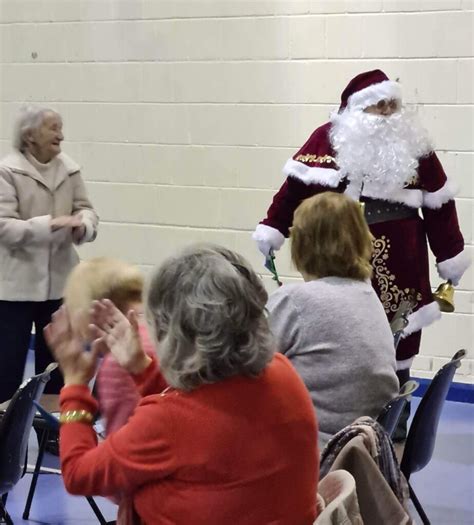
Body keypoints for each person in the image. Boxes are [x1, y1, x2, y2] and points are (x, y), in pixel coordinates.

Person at [45, 244, 319, 525]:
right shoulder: (282, 372)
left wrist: (75, 386)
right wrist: (142, 369)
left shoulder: (168, 421)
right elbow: (202, 418)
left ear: (174, 332)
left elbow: (79, 474)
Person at [253, 69, 469, 391]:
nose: (385, 112)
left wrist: (449, 254)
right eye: (377, 105)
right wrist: (273, 226)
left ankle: (396, 418)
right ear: (355, 110)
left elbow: (440, 205)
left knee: (399, 332)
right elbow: (294, 190)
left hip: (401, 256)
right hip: (335, 254)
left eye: (390, 105)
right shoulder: (325, 139)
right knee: (336, 328)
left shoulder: (415, 146)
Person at [267, 192, 399, 447]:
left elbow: (240, 370)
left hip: (315, 451)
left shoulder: (294, 300)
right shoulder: (367, 293)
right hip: (365, 449)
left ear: (304, 243)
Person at [0, 104, 98, 403]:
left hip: (60, 284)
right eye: (53, 128)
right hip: (14, 288)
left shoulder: (69, 169)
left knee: (57, 367)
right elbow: (3, 226)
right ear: (30, 136)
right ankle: (7, 436)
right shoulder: (7, 171)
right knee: (7, 367)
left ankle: (56, 433)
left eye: (61, 127)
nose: (61, 135)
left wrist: (84, 226)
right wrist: (50, 225)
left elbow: (86, 209)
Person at [63, 257, 166, 436]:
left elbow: (121, 443)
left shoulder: (119, 362)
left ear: (92, 310)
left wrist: (74, 386)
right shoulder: (157, 333)